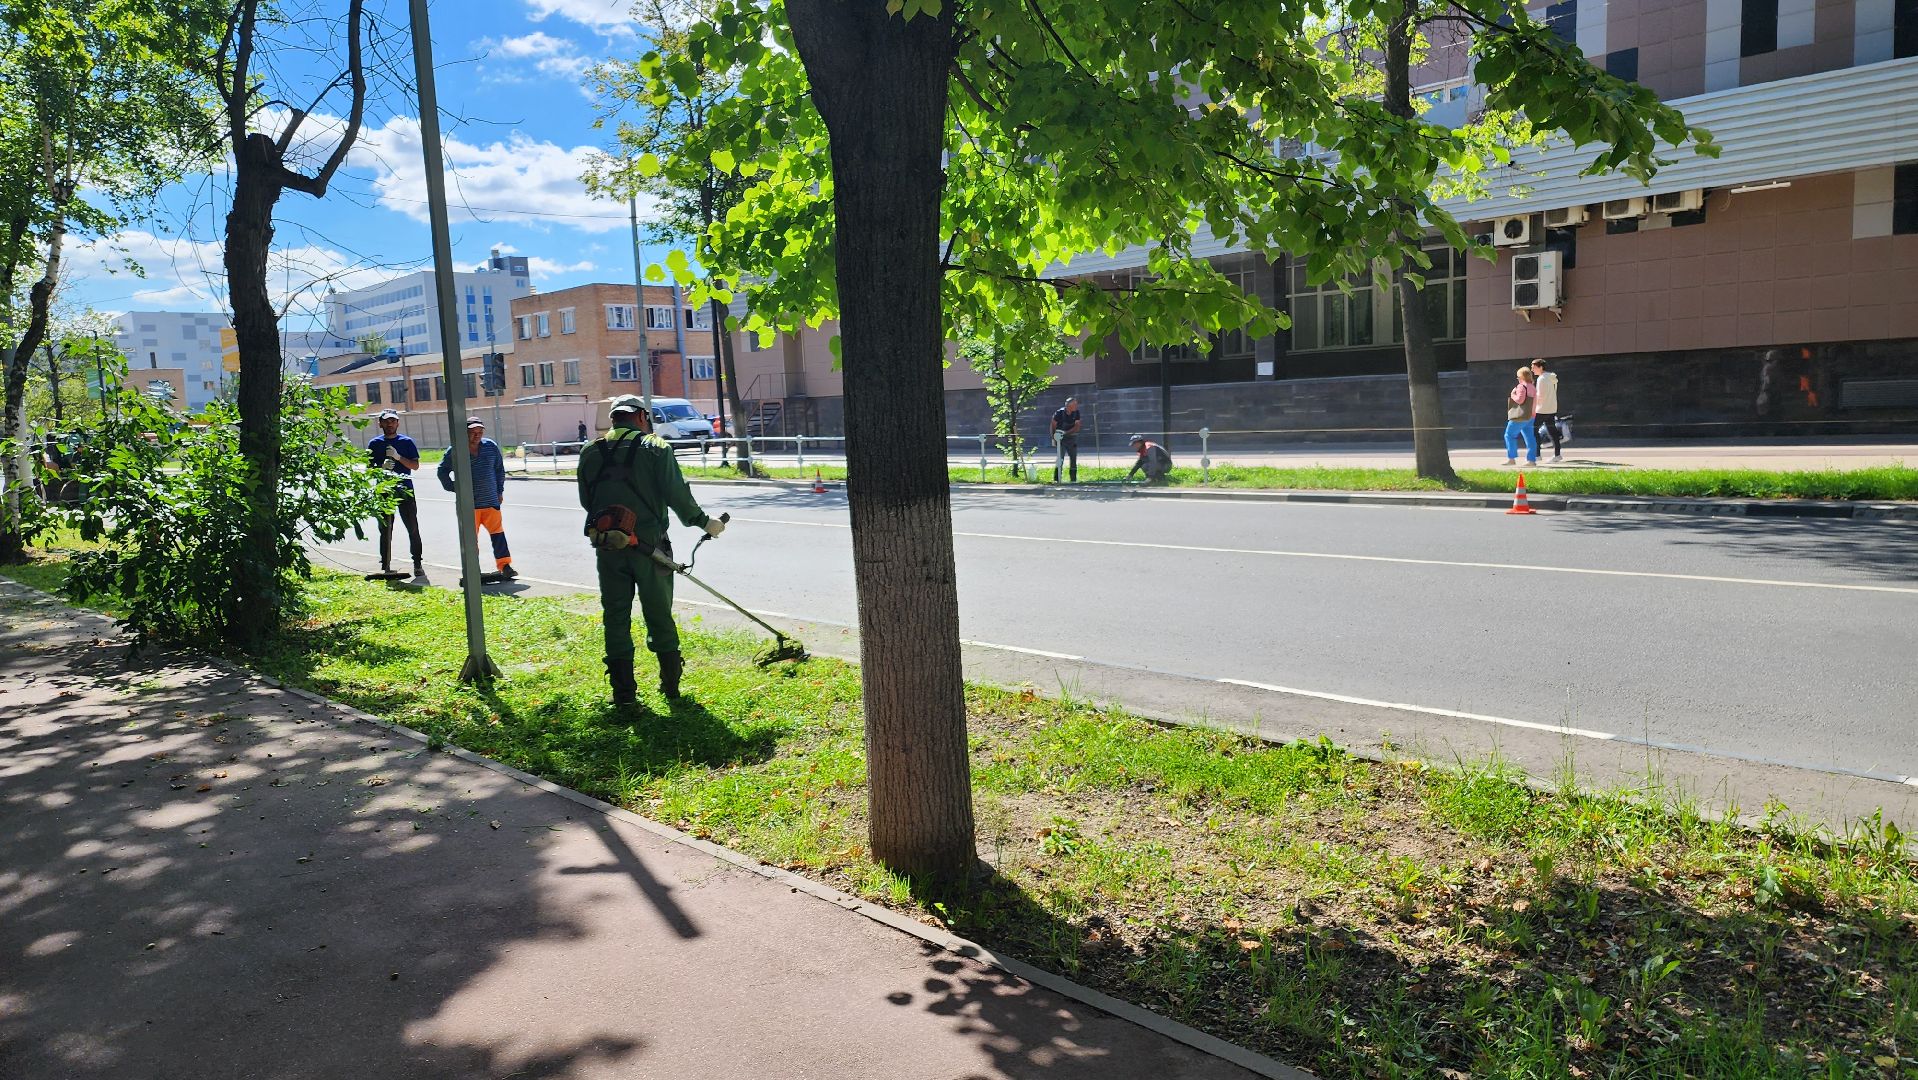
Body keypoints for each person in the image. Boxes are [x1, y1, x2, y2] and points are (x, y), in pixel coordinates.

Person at [578, 394, 724, 704]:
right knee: (659, 614)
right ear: (642, 417)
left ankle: (623, 693)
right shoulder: (656, 448)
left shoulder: (590, 451)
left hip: (609, 547)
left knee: (615, 615)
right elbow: (677, 495)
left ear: (613, 418)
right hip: (650, 547)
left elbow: (587, 501)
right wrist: (704, 522)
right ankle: (670, 687)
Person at [438, 416, 515, 580]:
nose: (477, 435)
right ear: (464, 433)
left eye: (480, 432)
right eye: (473, 432)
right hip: (468, 505)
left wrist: (500, 491)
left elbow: (499, 470)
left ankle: (505, 566)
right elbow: (442, 471)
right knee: (470, 541)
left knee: (498, 535)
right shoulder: (455, 450)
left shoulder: (490, 446)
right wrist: (454, 487)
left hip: (491, 501)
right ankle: (473, 570)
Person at [367, 410, 424, 577]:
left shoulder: (406, 442)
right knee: (385, 529)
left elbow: (415, 466)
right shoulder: (374, 444)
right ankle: (386, 565)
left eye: (393, 421)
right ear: (380, 423)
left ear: (398, 423)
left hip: (404, 490)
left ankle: (418, 564)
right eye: (386, 421)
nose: (390, 424)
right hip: (384, 491)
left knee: (412, 527)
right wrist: (381, 467)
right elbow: (369, 469)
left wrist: (398, 457)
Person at [1503, 365, 1539, 467]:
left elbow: (1520, 400)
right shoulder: (1532, 386)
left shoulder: (1521, 386)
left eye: (1518, 377)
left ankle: (1511, 459)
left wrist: (1512, 395)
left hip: (1520, 416)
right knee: (1530, 438)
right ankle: (1531, 460)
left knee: (1509, 435)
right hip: (1531, 416)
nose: (1518, 379)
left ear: (1522, 377)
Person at [1530, 359, 1563, 463]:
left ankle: (1537, 455)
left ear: (1540, 367)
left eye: (1534, 367)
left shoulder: (1541, 379)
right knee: (1553, 432)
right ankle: (1557, 455)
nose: (1532, 370)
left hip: (1542, 409)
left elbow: (1540, 396)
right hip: (1551, 408)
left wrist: (1533, 406)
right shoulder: (1551, 377)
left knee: (1533, 431)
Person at [1049, 396, 1083, 482]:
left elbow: (1077, 427)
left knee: (1073, 459)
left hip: (1072, 438)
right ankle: (1057, 479)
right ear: (1069, 406)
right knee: (1060, 458)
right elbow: (1053, 425)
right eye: (1074, 404)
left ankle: (1073, 480)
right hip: (1060, 439)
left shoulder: (1077, 413)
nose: (1076, 406)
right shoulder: (1059, 413)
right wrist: (1054, 438)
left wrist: (1066, 433)